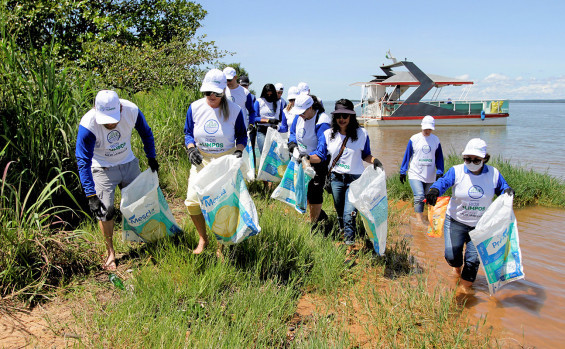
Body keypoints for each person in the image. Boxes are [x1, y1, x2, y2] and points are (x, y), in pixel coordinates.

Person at [76, 90, 158, 270]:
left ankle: (145, 241)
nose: (111, 123)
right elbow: (83, 160)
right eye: (105, 119)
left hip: (128, 162)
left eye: (113, 118)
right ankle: (110, 252)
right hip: (102, 168)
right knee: (105, 211)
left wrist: (151, 157)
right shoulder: (88, 125)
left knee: (140, 203)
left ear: (120, 108)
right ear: (95, 110)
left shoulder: (132, 110)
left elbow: (146, 133)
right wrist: (91, 194)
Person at [425, 138, 514, 294]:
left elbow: (503, 189)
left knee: (473, 262)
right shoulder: (456, 171)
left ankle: (464, 290)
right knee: (451, 255)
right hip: (456, 221)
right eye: (468, 159)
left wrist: (508, 192)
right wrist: (434, 190)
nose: (471, 162)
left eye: (476, 159)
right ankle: (457, 269)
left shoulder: (493, 174)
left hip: (481, 227)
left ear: (484, 159)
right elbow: (443, 182)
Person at [184, 69, 247, 254]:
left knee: (222, 204)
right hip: (201, 161)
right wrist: (191, 149)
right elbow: (188, 132)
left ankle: (221, 245)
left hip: (224, 162)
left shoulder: (235, 111)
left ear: (223, 92)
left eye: (216, 93)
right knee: (193, 202)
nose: (211, 96)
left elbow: (242, 136)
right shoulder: (195, 107)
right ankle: (203, 239)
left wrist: (238, 151)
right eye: (207, 92)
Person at [323, 99, 383, 244]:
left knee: (349, 214)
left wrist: (375, 160)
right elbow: (321, 155)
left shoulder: (362, 133)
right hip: (336, 178)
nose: (341, 119)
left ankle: (350, 246)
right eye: (338, 116)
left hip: (355, 180)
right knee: (340, 213)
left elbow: (365, 155)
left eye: (345, 115)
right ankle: (343, 234)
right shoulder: (327, 134)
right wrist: (305, 158)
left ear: (351, 117)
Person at [288, 94, 331, 227]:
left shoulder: (321, 121)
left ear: (311, 107)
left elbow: (321, 150)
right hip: (301, 159)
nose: (300, 115)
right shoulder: (299, 116)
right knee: (303, 190)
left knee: (315, 193)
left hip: (317, 162)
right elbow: (293, 133)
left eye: (303, 112)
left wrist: (308, 158)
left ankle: (315, 225)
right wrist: (292, 145)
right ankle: (320, 215)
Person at [399, 115, 444, 225]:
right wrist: (403, 171)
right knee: (419, 196)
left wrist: (440, 171)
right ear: (422, 126)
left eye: (430, 129)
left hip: (430, 174)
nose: (427, 131)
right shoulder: (414, 139)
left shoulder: (435, 140)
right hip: (416, 173)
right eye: (426, 128)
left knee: (429, 197)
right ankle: (419, 221)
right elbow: (407, 155)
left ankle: (427, 218)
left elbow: (439, 157)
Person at [253, 83, 288, 154]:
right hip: (262, 130)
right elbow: (254, 118)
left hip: (273, 130)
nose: (269, 96)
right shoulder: (259, 101)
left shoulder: (280, 103)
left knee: (274, 154)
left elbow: (283, 117)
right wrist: (268, 120)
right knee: (264, 152)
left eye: (271, 95)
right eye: (267, 95)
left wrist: (277, 123)